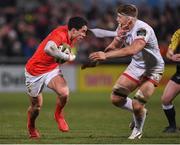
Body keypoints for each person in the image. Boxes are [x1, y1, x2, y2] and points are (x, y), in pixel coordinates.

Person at [88, 4, 164, 139]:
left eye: (119, 17)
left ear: (129, 19)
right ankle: (141, 112)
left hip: (152, 68)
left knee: (137, 103)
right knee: (116, 98)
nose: (117, 19)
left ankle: (137, 130)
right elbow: (114, 46)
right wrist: (100, 57)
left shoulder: (142, 29)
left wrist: (106, 56)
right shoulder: (122, 27)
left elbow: (133, 49)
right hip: (136, 66)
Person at [25, 16, 88, 139]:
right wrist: (66, 57)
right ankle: (31, 126)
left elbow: (67, 53)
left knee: (64, 93)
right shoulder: (60, 34)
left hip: (51, 69)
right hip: (34, 71)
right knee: (36, 107)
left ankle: (58, 115)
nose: (85, 35)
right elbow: (48, 48)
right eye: (83, 31)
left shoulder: (73, 36)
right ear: (74, 30)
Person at [161, 29, 180, 133]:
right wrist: (172, 56)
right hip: (179, 73)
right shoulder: (178, 33)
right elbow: (169, 52)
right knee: (166, 99)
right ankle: (172, 127)